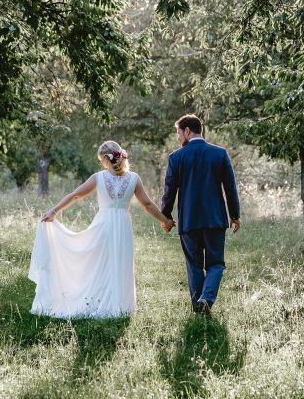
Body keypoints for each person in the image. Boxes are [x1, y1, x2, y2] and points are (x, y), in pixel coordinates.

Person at [29, 140, 175, 318]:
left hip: (103, 224)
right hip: (122, 225)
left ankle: (98, 302)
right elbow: (147, 204)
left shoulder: (98, 177)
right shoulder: (134, 179)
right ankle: (120, 306)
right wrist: (165, 220)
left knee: (99, 264)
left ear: (105, 159)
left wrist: (54, 211)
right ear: (120, 155)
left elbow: (76, 195)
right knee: (121, 263)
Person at [161, 114, 241, 315]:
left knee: (194, 266)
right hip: (215, 220)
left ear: (188, 131)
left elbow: (169, 191)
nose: (178, 138)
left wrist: (166, 217)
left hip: (189, 221)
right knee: (216, 263)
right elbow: (230, 188)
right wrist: (234, 215)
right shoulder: (219, 154)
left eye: (179, 133)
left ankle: (199, 307)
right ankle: (206, 299)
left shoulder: (176, 157)